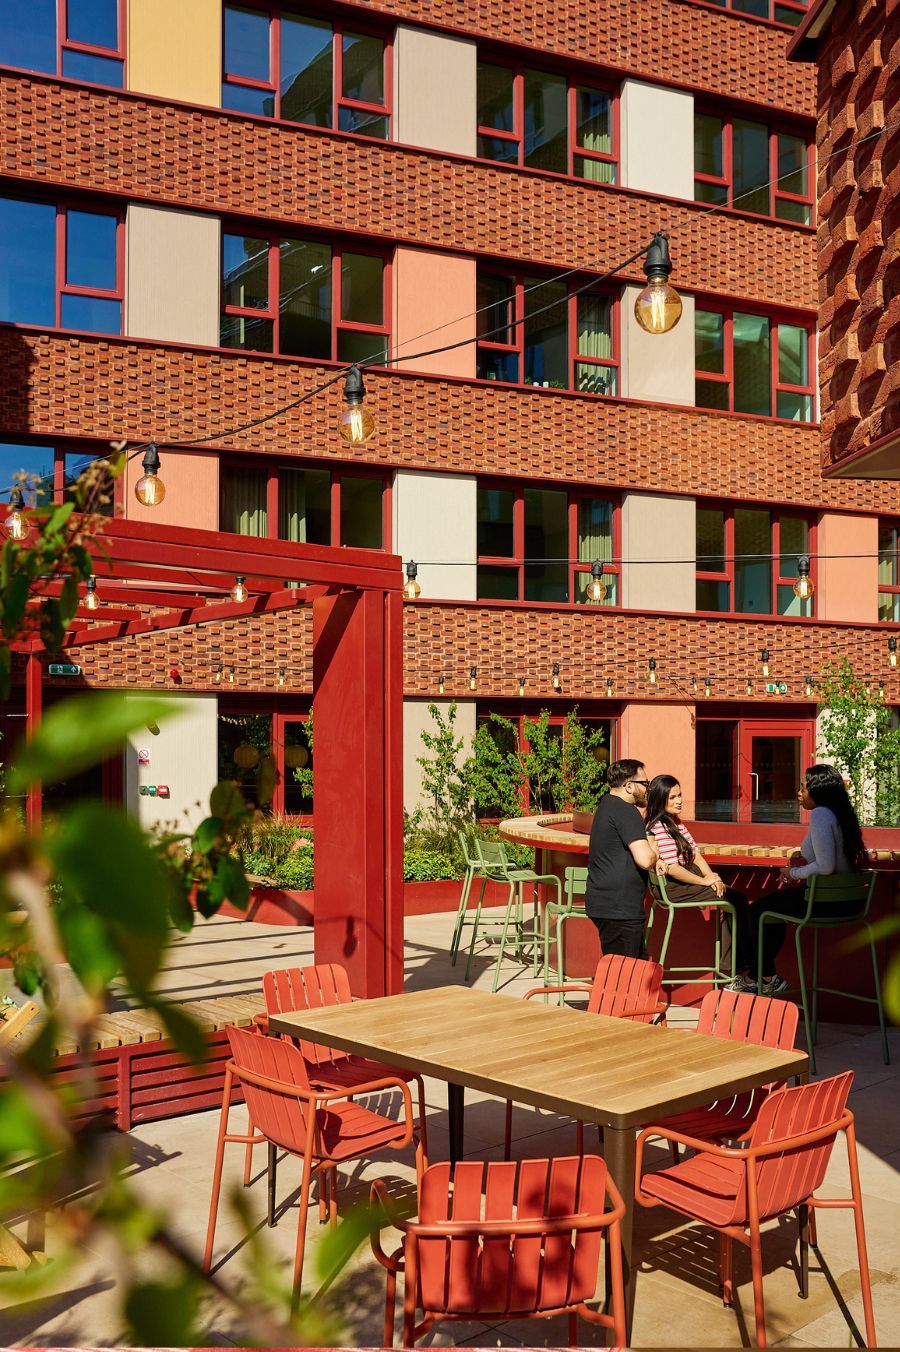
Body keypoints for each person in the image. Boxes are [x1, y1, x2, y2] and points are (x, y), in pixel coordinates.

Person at [727, 763, 867, 995]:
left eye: (803, 788)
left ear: (818, 791)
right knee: (773, 910)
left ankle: (762, 977)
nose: (798, 793)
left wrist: (792, 873)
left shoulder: (821, 814)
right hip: (850, 903)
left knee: (759, 910)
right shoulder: (840, 814)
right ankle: (764, 976)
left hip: (824, 903)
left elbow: (825, 866)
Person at [585, 758, 658, 958]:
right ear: (628, 786)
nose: (647, 789)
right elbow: (645, 859)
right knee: (623, 978)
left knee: (634, 973)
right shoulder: (626, 811)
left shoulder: (607, 805)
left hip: (611, 906)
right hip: (619, 910)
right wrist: (654, 851)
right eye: (644, 784)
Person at [644, 774, 746, 911]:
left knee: (732, 896)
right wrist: (704, 881)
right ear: (659, 800)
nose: (679, 801)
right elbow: (672, 868)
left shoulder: (676, 823)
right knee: (735, 898)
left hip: (686, 881)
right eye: (672, 798)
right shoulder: (658, 827)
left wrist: (712, 878)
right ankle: (743, 933)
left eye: (680, 795)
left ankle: (734, 933)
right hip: (674, 887)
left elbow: (696, 855)